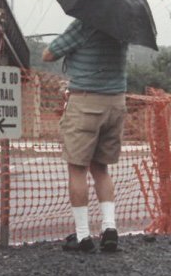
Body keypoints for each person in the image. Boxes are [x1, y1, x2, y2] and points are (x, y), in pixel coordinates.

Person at [41, 18, 127, 253]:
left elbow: (49, 54)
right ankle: (110, 228)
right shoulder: (122, 28)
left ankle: (82, 236)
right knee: (101, 168)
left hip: (86, 101)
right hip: (116, 102)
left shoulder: (84, 24)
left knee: (77, 168)